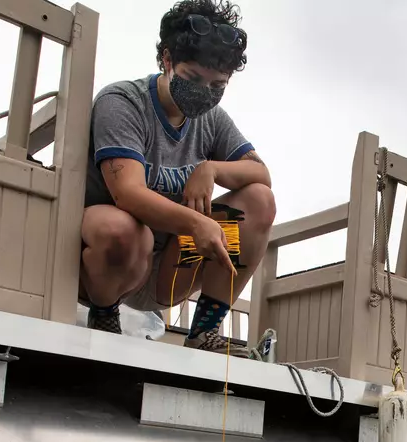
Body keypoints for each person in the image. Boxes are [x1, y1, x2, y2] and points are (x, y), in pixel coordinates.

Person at [80, 0, 275, 357]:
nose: (204, 92)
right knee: (123, 227)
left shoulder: (213, 120)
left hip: (167, 273)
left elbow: (260, 173)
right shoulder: (123, 102)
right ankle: (105, 316)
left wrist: (212, 169)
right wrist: (196, 222)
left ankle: (204, 333)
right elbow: (127, 193)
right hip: (108, 261)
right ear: (167, 60)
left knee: (258, 200)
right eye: (193, 78)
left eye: (218, 84)